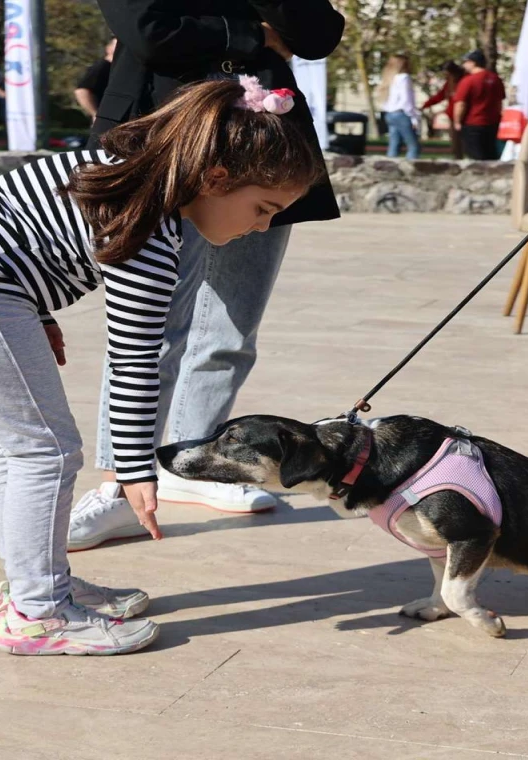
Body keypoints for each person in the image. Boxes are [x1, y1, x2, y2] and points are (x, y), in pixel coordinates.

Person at [0, 77, 324, 655]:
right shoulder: (151, 229)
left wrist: (34, 309)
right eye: (263, 208)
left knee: (17, 446)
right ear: (217, 178)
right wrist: (136, 469)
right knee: (43, 450)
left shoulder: (128, 170)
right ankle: (38, 613)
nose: (262, 226)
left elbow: (25, 226)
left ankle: (35, 586)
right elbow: (135, 361)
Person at [65, 0, 343, 551]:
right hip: (164, 137)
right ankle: (120, 486)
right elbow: (149, 32)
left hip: (267, 144)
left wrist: (259, 29)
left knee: (232, 328)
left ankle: (193, 465)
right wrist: (251, 35)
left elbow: (318, 33)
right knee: (154, 328)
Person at [451, 50, 505, 160]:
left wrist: (457, 121)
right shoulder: (495, 79)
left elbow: (460, 104)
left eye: (465, 62)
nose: (464, 65)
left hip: (473, 124)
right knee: (491, 155)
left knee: (475, 157)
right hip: (492, 123)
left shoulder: (468, 81)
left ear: (473, 62)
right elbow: (500, 101)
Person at [378, 54, 420, 160]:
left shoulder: (390, 78)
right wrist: (413, 117)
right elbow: (406, 100)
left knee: (394, 145)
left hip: (390, 114)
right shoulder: (404, 78)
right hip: (402, 114)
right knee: (413, 146)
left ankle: (389, 169)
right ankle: (412, 170)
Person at [421, 61, 466, 159]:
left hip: (464, 115)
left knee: (464, 141)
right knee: (455, 142)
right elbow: (440, 96)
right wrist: (426, 104)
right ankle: (458, 158)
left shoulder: (463, 81)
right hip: (452, 115)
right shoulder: (449, 83)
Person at [75, 37, 117, 122]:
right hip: (105, 119)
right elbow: (82, 91)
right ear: (108, 49)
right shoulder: (102, 67)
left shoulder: (115, 69)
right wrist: (95, 113)